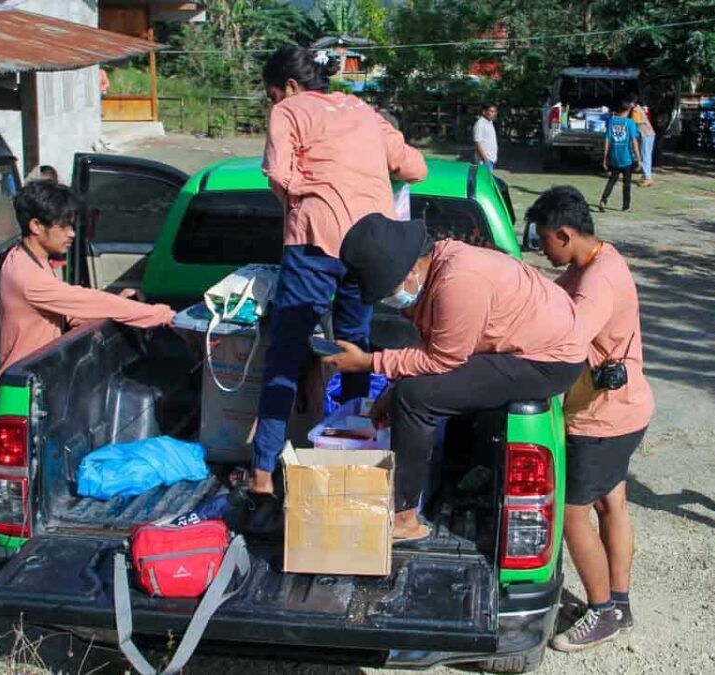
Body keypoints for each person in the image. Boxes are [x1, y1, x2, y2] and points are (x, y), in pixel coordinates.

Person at [326, 214, 587, 542]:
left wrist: (368, 362)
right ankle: (451, 476)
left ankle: (405, 518)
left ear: (411, 271)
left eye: (388, 291)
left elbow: (442, 358)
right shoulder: (435, 270)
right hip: (522, 344)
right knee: (412, 390)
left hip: (549, 360)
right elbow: (437, 345)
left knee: (416, 397)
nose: (389, 302)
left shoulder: (458, 280)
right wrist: (390, 390)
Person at [252, 45, 428, 495]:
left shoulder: (289, 110)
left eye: (274, 94)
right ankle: (354, 453)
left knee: (285, 355)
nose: (276, 102)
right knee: (356, 349)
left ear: (289, 87)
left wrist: (307, 194)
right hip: (372, 245)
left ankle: (262, 476)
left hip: (315, 241)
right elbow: (417, 168)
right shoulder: (365, 111)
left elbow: (278, 175)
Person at [527, 186, 654, 652]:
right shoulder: (593, 263)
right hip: (623, 410)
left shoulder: (599, 280)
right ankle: (618, 603)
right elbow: (552, 298)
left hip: (603, 421)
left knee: (570, 515)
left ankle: (602, 614)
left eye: (544, 239)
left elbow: (570, 337)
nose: (541, 247)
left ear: (565, 234)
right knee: (610, 505)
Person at [0, 180, 175, 377]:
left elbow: (69, 312)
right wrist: (164, 316)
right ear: (36, 226)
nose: (72, 234)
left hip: (37, 373)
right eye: (64, 226)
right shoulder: (28, 278)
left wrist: (118, 305)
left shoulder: (28, 258)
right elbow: (82, 299)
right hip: (23, 385)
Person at [599, 98, 641, 213]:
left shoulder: (612, 122)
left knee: (612, 180)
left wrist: (605, 157)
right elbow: (634, 141)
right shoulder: (630, 123)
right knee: (626, 183)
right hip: (627, 158)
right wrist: (639, 159)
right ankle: (625, 206)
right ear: (628, 110)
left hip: (614, 157)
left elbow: (607, 140)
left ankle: (603, 199)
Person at [628, 94, 656, 187]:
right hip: (648, 134)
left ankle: (647, 178)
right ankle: (646, 176)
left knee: (645, 156)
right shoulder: (639, 109)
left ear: (632, 103)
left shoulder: (636, 111)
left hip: (646, 134)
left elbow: (633, 124)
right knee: (646, 155)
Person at [473, 103, 498, 172]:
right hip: (484, 161)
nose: (494, 114)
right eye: (491, 111)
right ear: (484, 112)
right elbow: (477, 143)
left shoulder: (490, 123)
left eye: (495, 112)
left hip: (491, 159)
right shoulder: (480, 124)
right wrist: (485, 160)